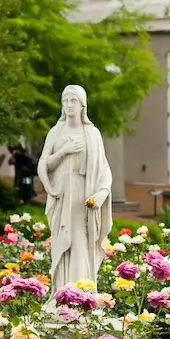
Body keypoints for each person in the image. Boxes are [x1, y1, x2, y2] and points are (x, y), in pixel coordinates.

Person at [37, 86, 112, 300]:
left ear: (82, 105)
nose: (69, 105)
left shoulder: (92, 134)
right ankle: (62, 294)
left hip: (83, 196)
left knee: (80, 242)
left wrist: (103, 193)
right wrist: (63, 152)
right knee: (63, 242)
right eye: (66, 101)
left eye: (73, 101)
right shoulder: (56, 132)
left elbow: (104, 169)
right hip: (62, 195)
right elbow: (44, 165)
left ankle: (81, 296)